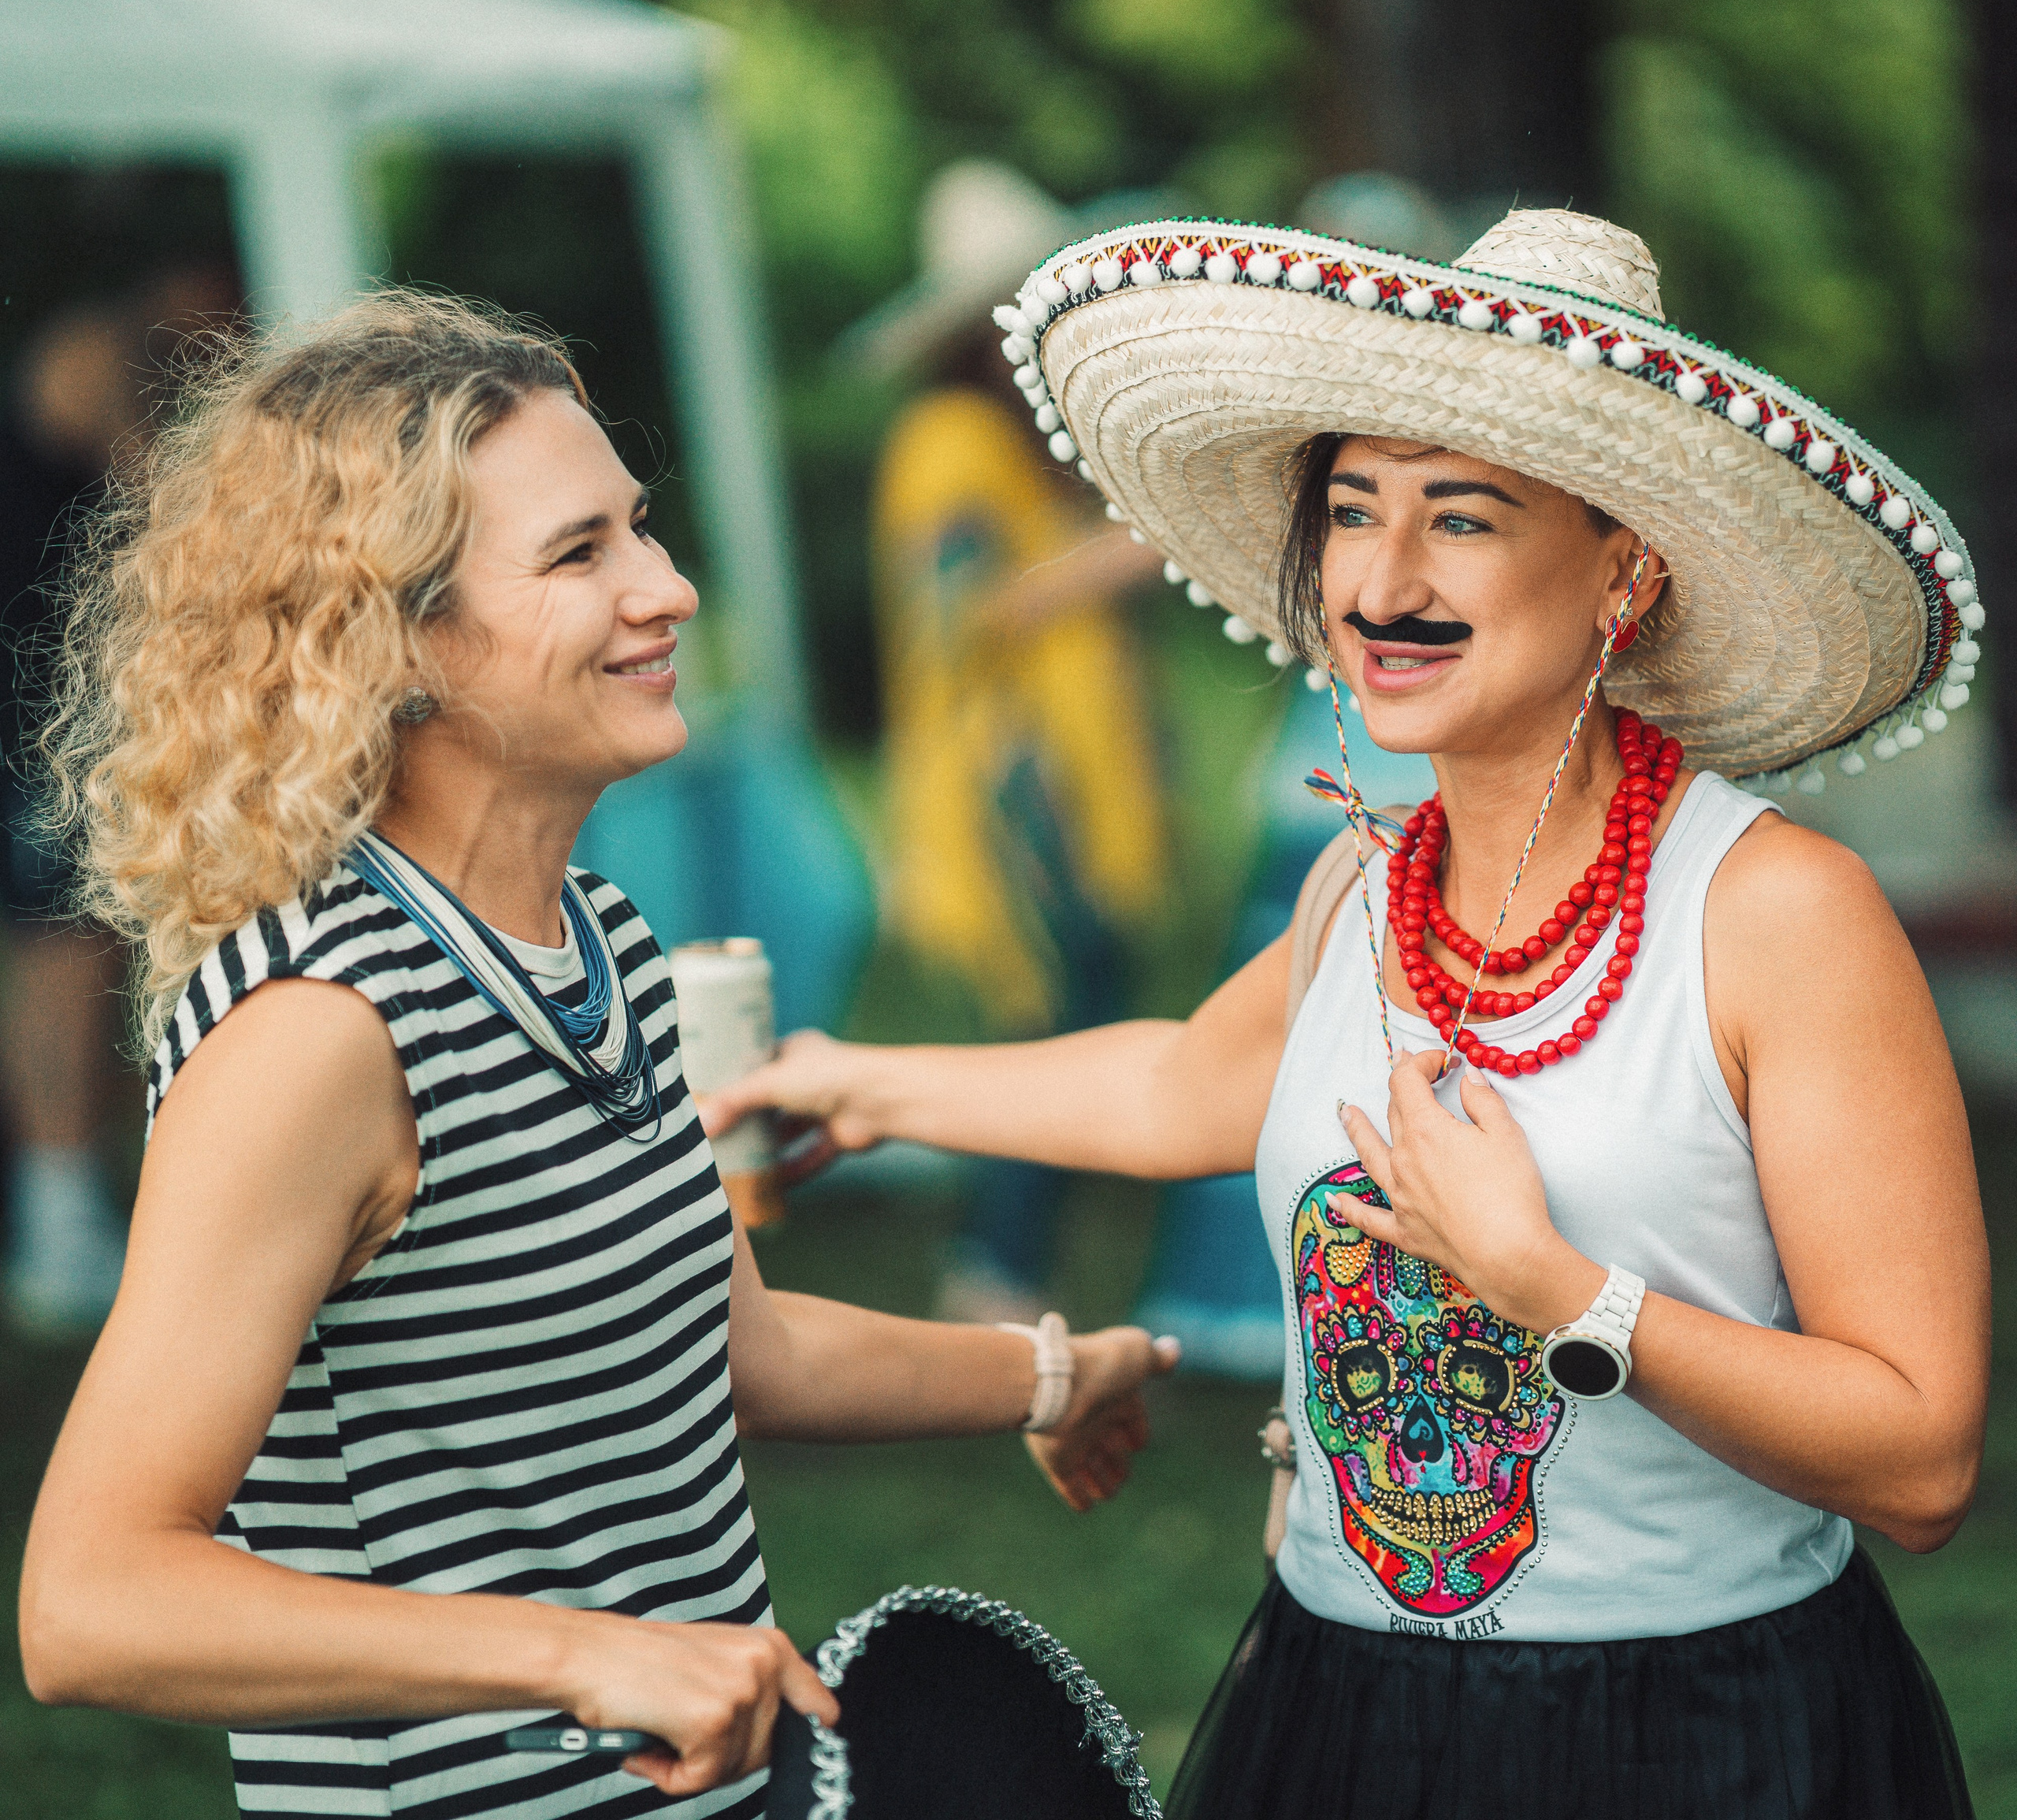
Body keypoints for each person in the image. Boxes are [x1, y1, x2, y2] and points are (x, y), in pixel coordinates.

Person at [702, 209, 1991, 1818]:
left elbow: (1920, 1455)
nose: (1379, 581)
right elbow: (1181, 1082)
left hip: (1694, 1731)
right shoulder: (1360, 888)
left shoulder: (1773, 914)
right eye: (1352, 512)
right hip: (1342, 1712)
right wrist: (858, 1081)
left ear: (1620, 568)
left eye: (1459, 517)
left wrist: (1553, 1292)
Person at [16, 292, 1176, 1820]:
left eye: (640, 529)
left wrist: (1044, 1370)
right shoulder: (315, 1033)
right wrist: (580, 1654)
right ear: (397, 636)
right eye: (581, 553)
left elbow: (728, 1344)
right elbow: (91, 1599)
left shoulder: (600, 937)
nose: (671, 586)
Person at [849, 161, 1168, 1321]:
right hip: (1012, 779)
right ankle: (993, 1269)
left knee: (1084, 1010)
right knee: (1052, 1026)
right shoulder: (946, 439)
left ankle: (1016, 1263)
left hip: (1057, 771)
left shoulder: (1014, 439)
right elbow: (968, 613)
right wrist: (1137, 547)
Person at [0, 266, 236, 1332]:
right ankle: (54, 1230)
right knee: (61, 954)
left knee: (80, 944)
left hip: (53, 710)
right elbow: (162, 507)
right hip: (30, 716)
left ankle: (64, 1213)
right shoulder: (101, 350)